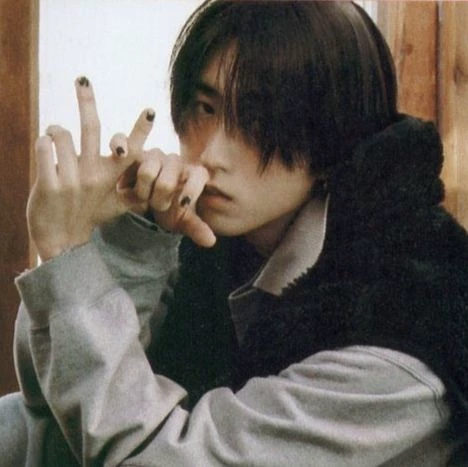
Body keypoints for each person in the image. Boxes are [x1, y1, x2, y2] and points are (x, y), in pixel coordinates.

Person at [1, 0, 468, 465]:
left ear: (339, 133)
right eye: (206, 107)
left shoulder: (405, 324)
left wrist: (68, 255)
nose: (211, 153)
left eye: (259, 119)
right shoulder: (226, 234)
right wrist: (133, 241)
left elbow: (158, 459)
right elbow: (51, 411)